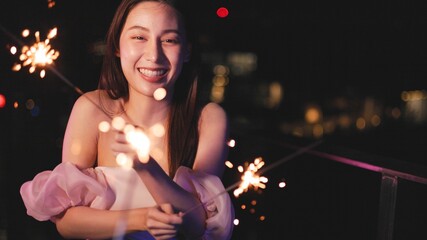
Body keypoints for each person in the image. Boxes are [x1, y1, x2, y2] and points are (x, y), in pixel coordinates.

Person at [19, 0, 234, 239]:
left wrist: (146, 167)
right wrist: (142, 218)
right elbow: (67, 223)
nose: (154, 55)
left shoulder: (208, 119)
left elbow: (198, 225)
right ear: (117, 47)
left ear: (187, 51)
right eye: (139, 37)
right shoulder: (92, 108)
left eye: (169, 40)